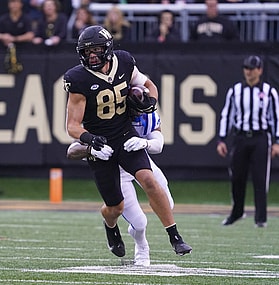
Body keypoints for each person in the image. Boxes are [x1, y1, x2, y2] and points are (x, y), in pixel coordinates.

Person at [63, 25, 192, 258]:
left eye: (97, 50)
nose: (92, 55)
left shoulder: (124, 62)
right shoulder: (78, 79)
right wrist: (91, 140)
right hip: (101, 144)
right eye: (87, 51)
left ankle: (175, 236)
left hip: (124, 134)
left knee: (149, 181)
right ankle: (110, 227)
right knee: (115, 208)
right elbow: (72, 126)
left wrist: (150, 102)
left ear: (108, 48)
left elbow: (149, 85)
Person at [67, 110, 174, 266]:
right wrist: (90, 149)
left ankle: (173, 235)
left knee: (168, 205)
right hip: (118, 171)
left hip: (141, 163)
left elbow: (158, 144)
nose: (140, 110)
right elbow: (72, 150)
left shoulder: (147, 116)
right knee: (139, 222)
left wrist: (146, 143)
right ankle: (142, 246)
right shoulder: (101, 118)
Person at [216, 55, 279, 228]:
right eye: (246, 68)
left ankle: (260, 217)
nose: (249, 72)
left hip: (260, 137)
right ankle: (237, 212)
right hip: (240, 138)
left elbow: (277, 117)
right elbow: (227, 115)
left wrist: (278, 141)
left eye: (252, 68)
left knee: (260, 178)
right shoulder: (236, 91)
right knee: (237, 176)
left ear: (260, 70)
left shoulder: (269, 92)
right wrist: (222, 139)